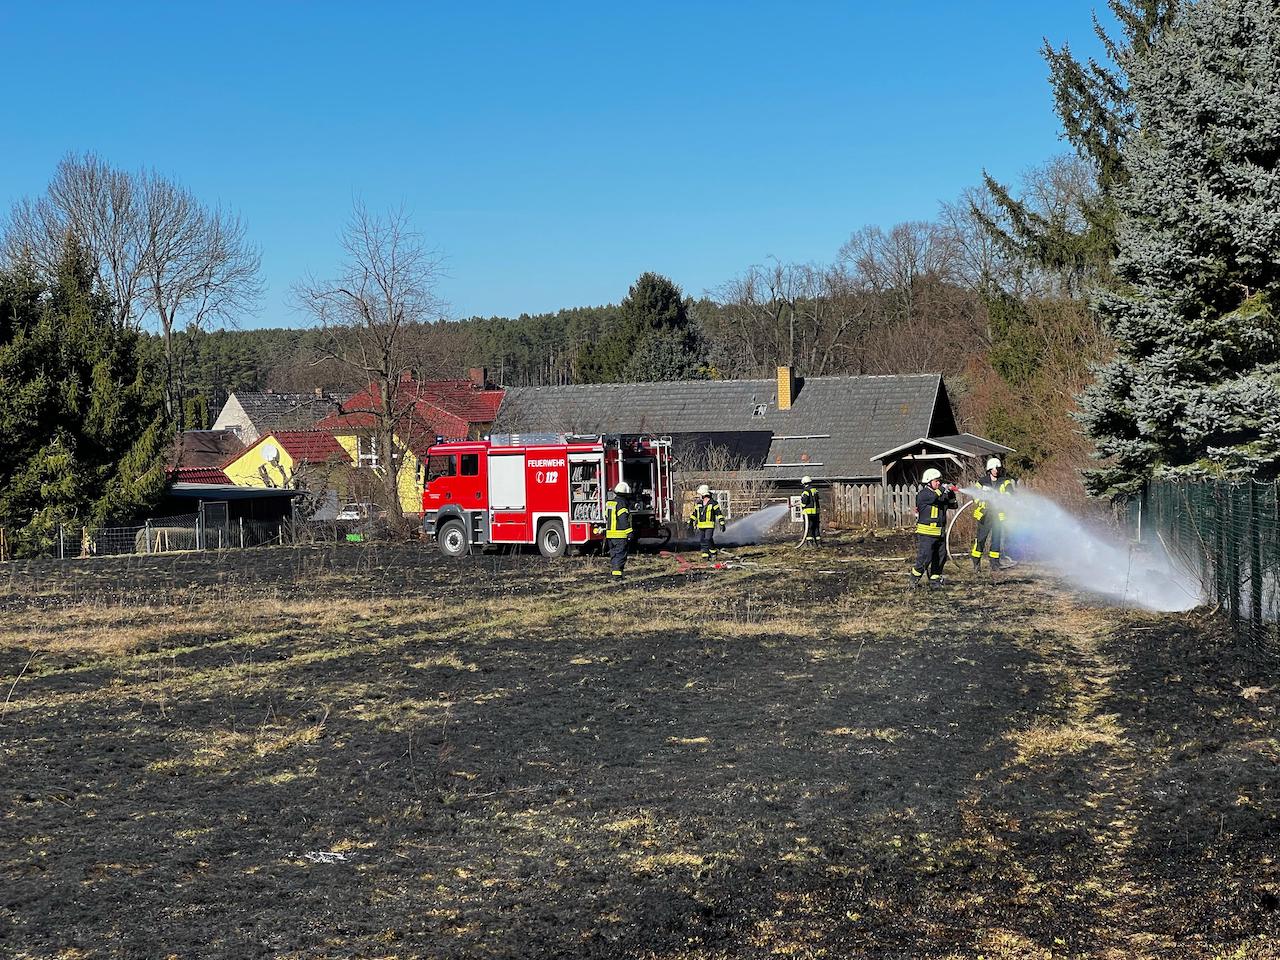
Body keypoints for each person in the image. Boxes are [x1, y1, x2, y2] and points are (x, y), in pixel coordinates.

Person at [911, 467, 958, 588]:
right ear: (928, 482)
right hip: (927, 533)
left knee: (941, 557)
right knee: (925, 557)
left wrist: (951, 494)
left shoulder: (940, 494)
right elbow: (933, 498)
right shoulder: (923, 494)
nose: (939, 483)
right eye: (936, 481)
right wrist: (943, 489)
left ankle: (935, 580)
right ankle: (914, 580)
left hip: (940, 533)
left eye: (939, 481)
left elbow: (953, 505)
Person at [970, 457, 1016, 571]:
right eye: (995, 468)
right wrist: (981, 500)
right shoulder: (982, 482)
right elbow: (974, 495)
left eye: (998, 468)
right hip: (984, 514)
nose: (996, 470)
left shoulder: (1005, 481)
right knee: (981, 539)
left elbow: (1010, 495)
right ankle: (976, 562)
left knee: (996, 538)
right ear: (989, 469)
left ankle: (994, 563)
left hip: (998, 514)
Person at [596, 481, 634, 579]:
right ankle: (617, 577)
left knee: (614, 555)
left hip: (610, 536)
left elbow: (606, 516)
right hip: (620, 535)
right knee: (620, 555)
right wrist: (629, 532)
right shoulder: (622, 504)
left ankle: (616, 574)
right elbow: (623, 519)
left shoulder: (610, 503)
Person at [688, 484, 726, 559]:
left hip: (709, 525)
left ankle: (713, 551)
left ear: (703, 495)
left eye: (700, 494)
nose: (699, 496)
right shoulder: (699, 504)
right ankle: (705, 553)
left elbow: (719, 514)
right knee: (702, 540)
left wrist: (722, 523)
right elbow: (694, 514)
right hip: (701, 526)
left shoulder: (713, 503)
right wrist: (691, 523)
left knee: (708, 538)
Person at [799, 475, 822, 546]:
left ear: (803, 483)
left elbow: (804, 501)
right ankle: (818, 543)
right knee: (816, 527)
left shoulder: (806, 491)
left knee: (808, 527)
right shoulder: (815, 490)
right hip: (816, 512)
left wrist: (802, 505)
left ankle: (810, 543)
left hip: (807, 513)